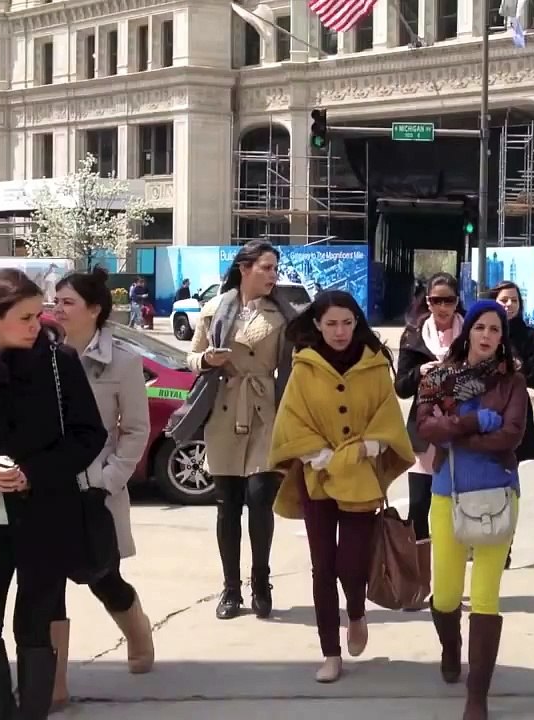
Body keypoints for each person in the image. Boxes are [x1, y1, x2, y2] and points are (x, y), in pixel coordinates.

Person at [0, 269, 108, 720]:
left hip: (47, 517)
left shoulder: (58, 363)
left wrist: (33, 473)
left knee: (34, 630)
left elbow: (90, 435)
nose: (39, 324)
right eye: (26, 316)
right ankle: (2, 710)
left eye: (41, 313)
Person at [268, 291, 416, 683]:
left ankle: (356, 611)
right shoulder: (304, 366)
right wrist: (314, 453)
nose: (339, 331)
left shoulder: (374, 363)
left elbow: (387, 414)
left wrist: (374, 443)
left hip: (360, 477)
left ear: (357, 322)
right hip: (316, 478)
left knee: (352, 564)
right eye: (331, 323)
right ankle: (330, 653)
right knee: (322, 567)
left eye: (347, 323)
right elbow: (291, 418)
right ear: (317, 324)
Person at [415, 300, 527, 720]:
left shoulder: (512, 381)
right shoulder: (442, 377)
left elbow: (511, 436)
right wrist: (475, 421)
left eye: (495, 330)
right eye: (481, 327)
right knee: (444, 594)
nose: (487, 336)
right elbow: (424, 426)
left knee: (484, 596)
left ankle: (476, 696)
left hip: (498, 493)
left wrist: (455, 433)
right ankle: (450, 646)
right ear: (469, 332)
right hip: (447, 494)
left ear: (502, 337)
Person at [49, 268, 156, 709]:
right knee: (47, 584)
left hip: (96, 486)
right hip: (47, 485)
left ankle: (137, 629)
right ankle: (53, 684)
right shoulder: (42, 356)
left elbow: (135, 431)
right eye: (55, 301)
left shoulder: (123, 362)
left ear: (95, 310)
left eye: (68, 302)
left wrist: (107, 480)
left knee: (103, 577)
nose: (57, 309)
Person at [185, 241, 296, 620]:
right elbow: (190, 356)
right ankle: (231, 589)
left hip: (265, 410)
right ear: (245, 268)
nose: (272, 275)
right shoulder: (215, 308)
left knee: (260, 498)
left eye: (275, 269)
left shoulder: (282, 313)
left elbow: (293, 366)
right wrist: (205, 359)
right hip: (224, 410)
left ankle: (261, 581)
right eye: (266, 267)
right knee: (227, 504)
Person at [394, 272, 466, 611]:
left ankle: (448, 587)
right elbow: (400, 387)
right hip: (423, 434)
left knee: (454, 511)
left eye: (448, 300)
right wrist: (421, 373)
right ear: (427, 302)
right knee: (419, 508)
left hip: (460, 431)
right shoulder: (413, 335)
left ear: (456, 301)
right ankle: (420, 584)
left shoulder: (472, 332)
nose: (442, 307)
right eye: (436, 300)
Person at [492, 281, 534, 569]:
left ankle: (505, 545)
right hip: (486, 416)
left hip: (516, 416)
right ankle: (482, 540)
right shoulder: (485, 332)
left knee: (510, 486)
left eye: (513, 300)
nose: (508, 305)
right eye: (503, 300)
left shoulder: (530, 336)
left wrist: (520, 368)